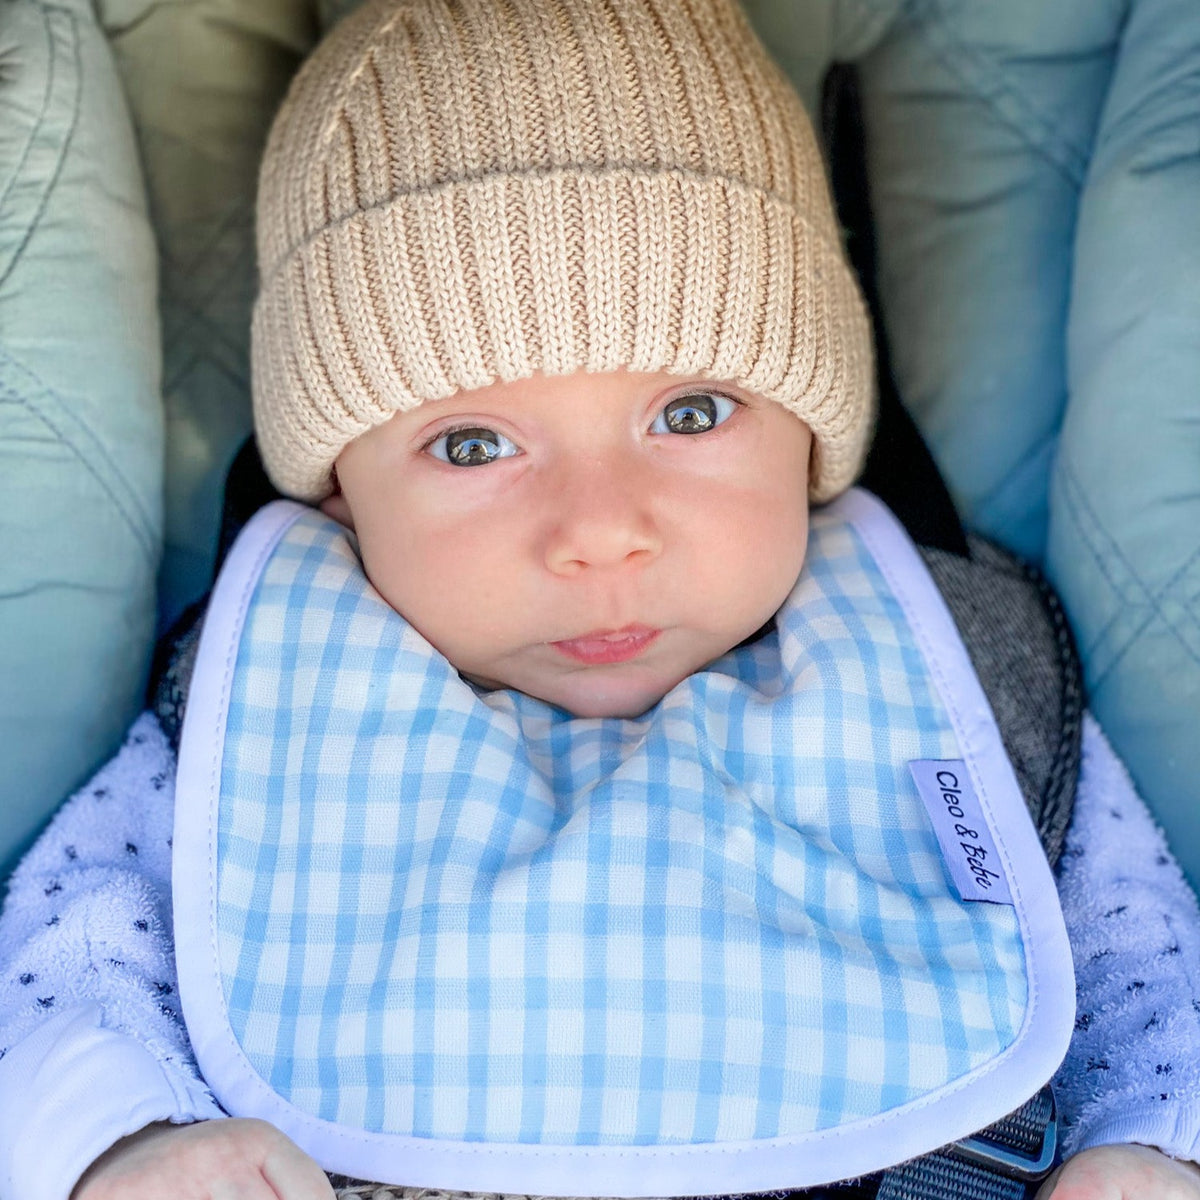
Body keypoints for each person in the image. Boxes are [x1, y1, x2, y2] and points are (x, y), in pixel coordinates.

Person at [0, 2, 1198, 1199]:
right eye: (471, 444)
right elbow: (76, 957)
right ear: (339, 500)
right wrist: (125, 1142)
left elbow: (1144, 967)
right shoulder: (281, 700)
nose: (599, 532)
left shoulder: (940, 675)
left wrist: (1153, 1145)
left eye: (689, 415)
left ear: (814, 438)